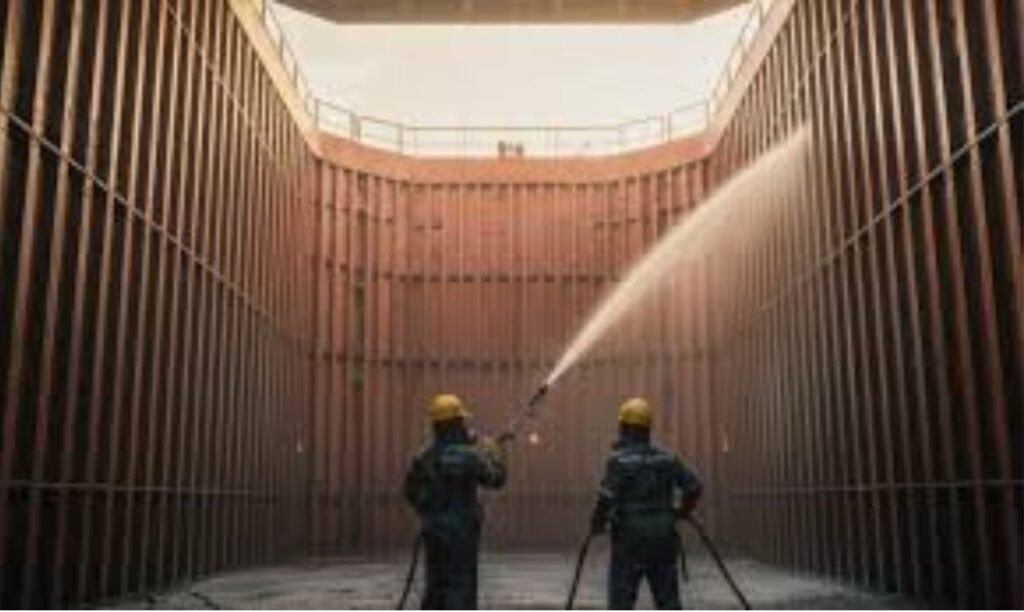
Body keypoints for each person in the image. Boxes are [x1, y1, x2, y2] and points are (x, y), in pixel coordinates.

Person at [590, 397, 703, 609]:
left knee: (621, 603)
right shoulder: (668, 459)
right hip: (663, 540)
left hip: (629, 543)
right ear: (647, 429)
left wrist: (596, 524)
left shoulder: (618, 461)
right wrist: (681, 512)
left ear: (624, 427)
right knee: (668, 601)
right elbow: (694, 486)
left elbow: (605, 498)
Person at [403, 394, 508, 609]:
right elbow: (496, 479)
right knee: (461, 589)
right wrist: (498, 453)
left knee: (436, 586)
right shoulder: (469, 457)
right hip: (461, 536)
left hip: (433, 533)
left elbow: (409, 491)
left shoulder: (424, 456)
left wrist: (429, 513)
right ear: (456, 423)